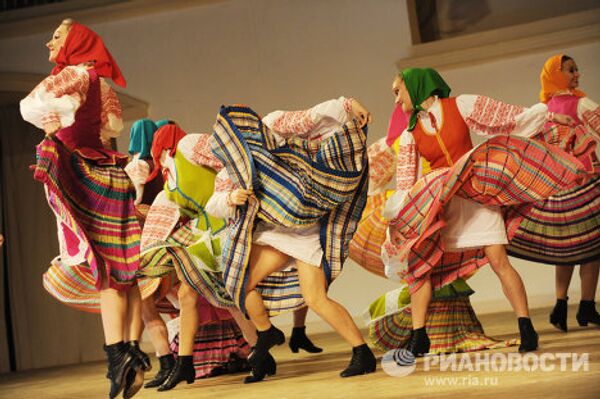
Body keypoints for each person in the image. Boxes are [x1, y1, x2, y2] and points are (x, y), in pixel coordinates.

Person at [382, 68, 589, 357]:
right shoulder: (409, 135)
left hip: (478, 196)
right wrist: (400, 219)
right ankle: (419, 336)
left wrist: (551, 117)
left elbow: (506, 117)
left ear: (417, 88)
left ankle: (526, 327)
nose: (395, 100)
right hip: (445, 204)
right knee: (420, 265)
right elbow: (406, 183)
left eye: (397, 91)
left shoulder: (461, 105)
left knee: (499, 261)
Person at [19, 19, 147, 398]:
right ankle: (132, 352)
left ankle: (116, 359)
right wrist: (69, 115)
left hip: (87, 174)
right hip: (112, 174)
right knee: (126, 271)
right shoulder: (100, 83)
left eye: (56, 37)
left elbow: (30, 104)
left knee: (105, 271)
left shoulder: (73, 73)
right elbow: (112, 124)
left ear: (75, 42)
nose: (48, 44)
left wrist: (55, 118)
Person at [206, 97, 376, 382]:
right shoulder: (231, 168)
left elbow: (311, 116)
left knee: (315, 298)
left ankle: (362, 353)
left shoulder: (273, 127)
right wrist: (230, 198)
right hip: (275, 234)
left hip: (305, 231)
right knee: (237, 284)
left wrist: (348, 104)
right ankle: (265, 333)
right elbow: (214, 203)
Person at [350, 108, 517, 354]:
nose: (399, 99)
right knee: (426, 270)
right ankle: (427, 334)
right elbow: (374, 176)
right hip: (423, 209)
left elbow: (374, 176)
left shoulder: (426, 133)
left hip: (444, 206)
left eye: (400, 93)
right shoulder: (401, 141)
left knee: (437, 270)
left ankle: (434, 334)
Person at [507, 54, 600, 331]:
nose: (577, 75)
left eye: (577, 69)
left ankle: (560, 306)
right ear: (557, 73)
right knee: (593, 247)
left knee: (568, 248)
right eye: (571, 70)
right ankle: (586, 306)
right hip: (585, 183)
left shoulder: (542, 109)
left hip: (557, 185)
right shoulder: (580, 103)